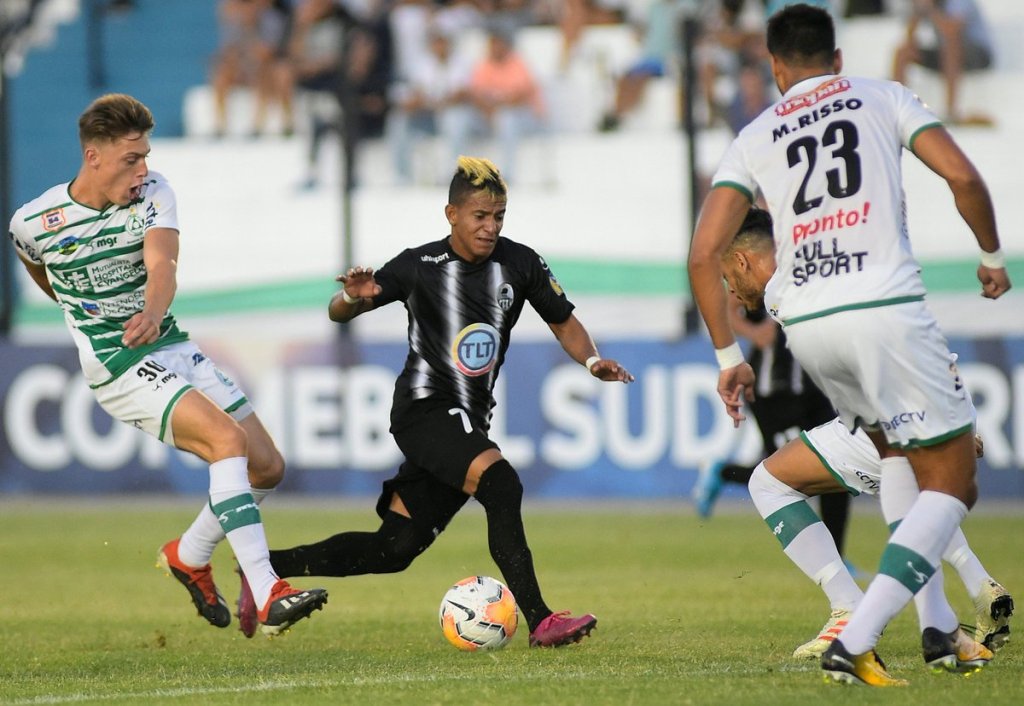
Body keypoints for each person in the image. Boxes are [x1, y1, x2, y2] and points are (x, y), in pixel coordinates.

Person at [687, 4, 1010, 687]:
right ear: (836, 59)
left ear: (775, 69)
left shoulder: (756, 133)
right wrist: (990, 255)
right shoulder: (883, 94)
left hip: (809, 321)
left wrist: (728, 359)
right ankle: (860, 636)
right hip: (883, 306)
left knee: (897, 456)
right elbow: (963, 178)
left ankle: (935, 627)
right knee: (952, 480)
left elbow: (702, 252)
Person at [236, 156, 635, 647]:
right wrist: (352, 299)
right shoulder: (419, 265)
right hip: (424, 410)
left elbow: (563, 320)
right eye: (480, 217)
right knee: (502, 485)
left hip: (468, 419)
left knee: (393, 549)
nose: (490, 228)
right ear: (452, 214)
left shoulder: (521, 263)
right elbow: (340, 311)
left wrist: (592, 362)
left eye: (499, 217)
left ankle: (263, 569)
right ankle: (542, 621)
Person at [6, 93, 328, 638]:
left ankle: (189, 553)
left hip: (166, 340)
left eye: (146, 155)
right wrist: (78, 309)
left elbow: (162, 263)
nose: (143, 168)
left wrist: (154, 313)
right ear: (94, 158)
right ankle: (270, 590)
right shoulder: (36, 220)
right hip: (116, 361)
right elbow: (34, 260)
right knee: (226, 442)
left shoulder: (154, 193)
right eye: (132, 158)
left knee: (267, 466)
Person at [720, 206, 1013, 661]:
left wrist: (932, 425)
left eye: (726, 277)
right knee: (917, 499)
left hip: (906, 407)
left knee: (769, 482)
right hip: (939, 390)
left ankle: (857, 619)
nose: (732, 293)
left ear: (741, 261)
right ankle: (976, 590)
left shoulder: (786, 293)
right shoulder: (833, 258)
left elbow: (867, 348)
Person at [892, 0, 994, 125]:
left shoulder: (959, 3)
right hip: (944, 53)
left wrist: (931, 10)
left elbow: (952, 29)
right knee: (904, 51)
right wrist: (918, 13)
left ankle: (951, 110)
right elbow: (909, 38)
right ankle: (896, 108)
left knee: (951, 46)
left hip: (977, 55)